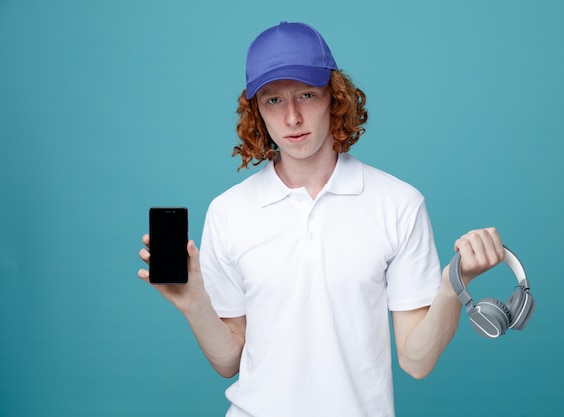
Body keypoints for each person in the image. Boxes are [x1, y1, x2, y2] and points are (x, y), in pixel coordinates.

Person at [138, 21, 505, 417]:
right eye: (273, 101)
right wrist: (194, 304)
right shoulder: (229, 212)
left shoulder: (398, 203)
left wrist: (453, 286)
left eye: (306, 95)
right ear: (257, 112)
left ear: (336, 97)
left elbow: (416, 361)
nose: (292, 117)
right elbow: (229, 362)